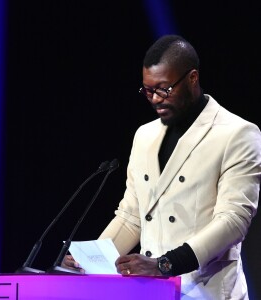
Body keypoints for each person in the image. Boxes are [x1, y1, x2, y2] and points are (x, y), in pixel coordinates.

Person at [64, 35, 261, 299]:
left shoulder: (236, 134)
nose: (155, 99)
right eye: (148, 90)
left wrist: (165, 264)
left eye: (164, 89)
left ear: (192, 78)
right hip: (152, 291)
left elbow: (233, 221)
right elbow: (132, 216)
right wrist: (89, 262)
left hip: (206, 290)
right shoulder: (144, 136)